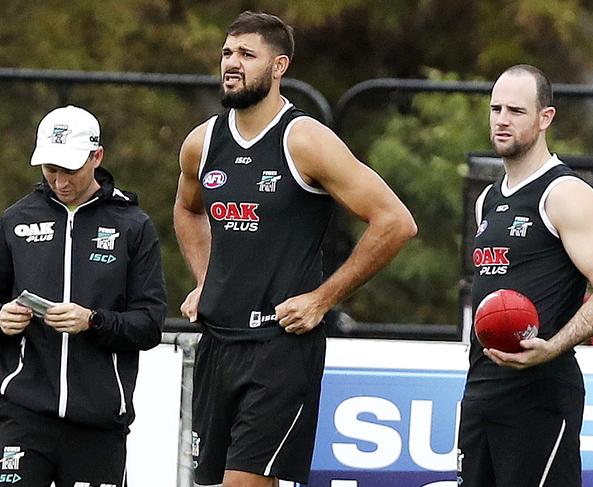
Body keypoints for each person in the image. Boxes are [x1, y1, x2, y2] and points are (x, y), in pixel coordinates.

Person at [173, 10, 417, 487]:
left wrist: (322, 300)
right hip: (217, 344)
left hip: (279, 349)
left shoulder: (304, 140)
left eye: (247, 54)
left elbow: (395, 222)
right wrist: (206, 280)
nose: (231, 63)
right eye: (227, 53)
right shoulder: (201, 143)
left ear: (279, 66)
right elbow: (187, 209)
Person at [0, 105, 167, 487]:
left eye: (70, 169)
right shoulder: (16, 219)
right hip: (22, 416)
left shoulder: (133, 226)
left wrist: (92, 321)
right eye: (49, 169)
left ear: (97, 157)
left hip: (98, 425)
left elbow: (149, 323)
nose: (59, 181)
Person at [458, 64, 593, 486]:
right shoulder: (486, 199)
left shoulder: (566, 193)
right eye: (496, 108)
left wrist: (552, 347)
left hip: (540, 395)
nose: (502, 120)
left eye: (516, 111)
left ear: (545, 118)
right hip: (481, 392)